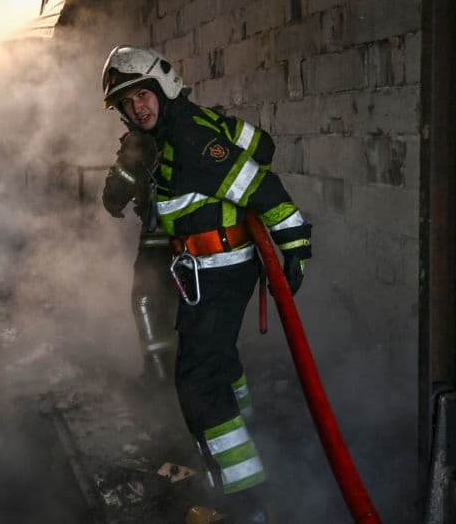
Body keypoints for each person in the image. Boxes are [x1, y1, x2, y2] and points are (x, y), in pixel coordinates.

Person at [99, 46, 312, 524]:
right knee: (218, 362)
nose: (137, 108)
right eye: (127, 103)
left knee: (196, 384)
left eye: (143, 95)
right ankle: (249, 431)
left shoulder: (190, 137)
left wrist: (295, 242)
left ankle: (244, 501)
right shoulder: (181, 128)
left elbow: (258, 186)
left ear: (163, 87)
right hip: (211, 271)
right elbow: (261, 148)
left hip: (218, 272)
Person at [102, 128, 178, 384]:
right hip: (210, 243)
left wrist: (113, 203)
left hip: (160, 241)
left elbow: (115, 194)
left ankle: (159, 374)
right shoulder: (200, 129)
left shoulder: (140, 141)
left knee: (146, 299)